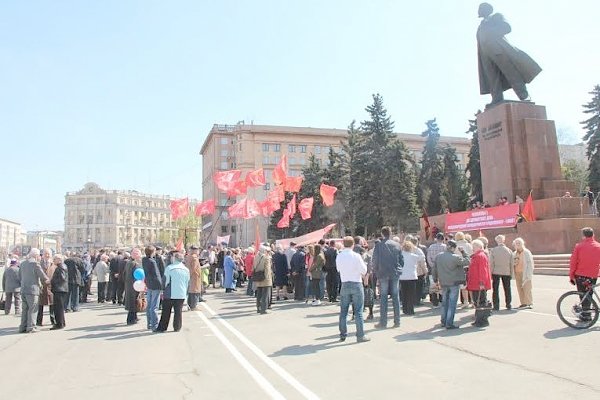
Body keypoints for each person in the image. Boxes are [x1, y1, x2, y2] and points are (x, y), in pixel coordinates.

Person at [476, 2, 541, 106]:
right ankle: (496, 98)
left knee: (511, 73)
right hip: (486, 56)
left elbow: (507, 27)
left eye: (480, 8)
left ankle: (523, 96)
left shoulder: (496, 17)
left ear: (487, 9)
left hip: (499, 50)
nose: (478, 11)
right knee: (492, 78)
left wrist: (491, 32)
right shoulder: (481, 26)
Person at [336, 236, 370, 343]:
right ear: (353, 245)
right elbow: (364, 270)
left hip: (345, 283)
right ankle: (360, 335)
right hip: (356, 283)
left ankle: (343, 334)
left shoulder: (339, 256)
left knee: (344, 311)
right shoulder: (356, 256)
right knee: (358, 311)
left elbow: (338, 269)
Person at [432, 240, 470, 329]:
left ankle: (443, 321)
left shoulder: (438, 256)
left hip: (443, 282)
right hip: (454, 282)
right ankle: (449, 323)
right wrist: (463, 252)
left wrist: (435, 279)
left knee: (445, 303)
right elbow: (467, 261)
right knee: (452, 303)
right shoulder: (455, 257)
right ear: (453, 248)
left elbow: (434, 269)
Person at [372, 226, 403, 329]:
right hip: (394, 272)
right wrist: (399, 269)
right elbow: (401, 261)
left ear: (382, 234)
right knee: (395, 297)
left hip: (383, 273)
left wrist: (376, 272)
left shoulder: (378, 246)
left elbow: (375, 260)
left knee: (383, 297)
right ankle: (397, 321)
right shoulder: (397, 245)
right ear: (391, 233)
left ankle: (383, 322)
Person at [569, 227, 600, 321]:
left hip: (581, 275)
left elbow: (573, 262)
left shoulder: (579, 246)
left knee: (583, 295)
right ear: (593, 235)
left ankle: (586, 315)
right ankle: (587, 314)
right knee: (589, 294)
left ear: (583, 236)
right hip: (593, 275)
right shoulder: (598, 246)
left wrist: (571, 275)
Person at [155, 251, 190, 332]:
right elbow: (187, 282)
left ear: (174, 259)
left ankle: (162, 327)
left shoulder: (169, 268)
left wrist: (162, 289)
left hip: (170, 293)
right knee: (178, 312)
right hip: (181, 293)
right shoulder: (186, 269)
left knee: (166, 311)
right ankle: (177, 327)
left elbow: (165, 281)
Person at [18, 248, 49, 333]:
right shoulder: (35, 264)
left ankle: (23, 327)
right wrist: (48, 281)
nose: (39, 257)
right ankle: (31, 327)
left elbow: (19, 276)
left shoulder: (23, 263)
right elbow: (43, 276)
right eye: (39, 255)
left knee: (25, 309)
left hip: (23, 289)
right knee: (33, 309)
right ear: (36, 255)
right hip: (33, 290)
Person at [467, 240, 492, 327]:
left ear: (478, 247)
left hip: (479, 284)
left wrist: (482, 282)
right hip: (476, 283)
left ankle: (482, 320)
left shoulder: (480, 256)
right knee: (478, 302)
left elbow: (482, 270)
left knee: (480, 302)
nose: (472, 248)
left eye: (473, 247)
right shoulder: (478, 256)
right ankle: (479, 319)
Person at [489, 234, 514, 310]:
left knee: (495, 289)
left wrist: (490, 272)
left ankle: (496, 306)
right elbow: (511, 263)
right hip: (506, 271)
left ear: (496, 241)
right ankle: (508, 304)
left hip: (496, 272)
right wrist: (511, 273)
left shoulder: (493, 250)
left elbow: (491, 263)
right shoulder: (509, 250)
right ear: (504, 240)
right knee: (507, 288)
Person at [143, 245, 163, 331]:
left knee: (149, 305)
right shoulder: (152, 261)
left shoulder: (144, 260)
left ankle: (149, 323)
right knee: (154, 306)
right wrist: (161, 285)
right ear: (152, 252)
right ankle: (155, 325)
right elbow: (157, 274)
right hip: (155, 284)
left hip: (149, 284)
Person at [512, 238, 534, 309]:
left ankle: (529, 303)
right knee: (519, 288)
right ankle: (523, 303)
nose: (518, 245)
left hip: (525, 273)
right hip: (517, 273)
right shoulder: (514, 253)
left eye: (519, 243)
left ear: (522, 244)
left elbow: (530, 264)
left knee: (527, 288)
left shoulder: (526, 252)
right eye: (516, 243)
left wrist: (529, 274)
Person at [399, 241, 420, 315]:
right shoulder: (414, 256)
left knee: (404, 294)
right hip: (411, 276)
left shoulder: (400, 255)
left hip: (402, 276)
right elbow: (420, 258)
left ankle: (405, 309)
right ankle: (410, 309)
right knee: (411, 294)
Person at [124, 248, 143, 325]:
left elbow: (124, 274)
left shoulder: (129, 263)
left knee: (133, 301)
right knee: (134, 302)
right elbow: (137, 276)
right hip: (134, 285)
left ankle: (134, 317)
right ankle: (131, 319)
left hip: (129, 285)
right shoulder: (135, 264)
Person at [50, 255, 68, 330]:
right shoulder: (61, 266)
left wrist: (51, 281)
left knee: (58, 308)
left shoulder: (61, 267)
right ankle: (62, 323)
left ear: (59, 260)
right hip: (60, 289)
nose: (53, 261)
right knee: (59, 308)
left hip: (60, 289)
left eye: (54, 259)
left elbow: (62, 278)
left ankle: (59, 324)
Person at [253, 246, 273, 314]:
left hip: (258, 277)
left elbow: (254, 267)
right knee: (265, 294)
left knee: (259, 294)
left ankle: (258, 308)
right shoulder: (266, 258)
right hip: (265, 278)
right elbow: (267, 269)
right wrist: (267, 278)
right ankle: (263, 309)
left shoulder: (256, 257)